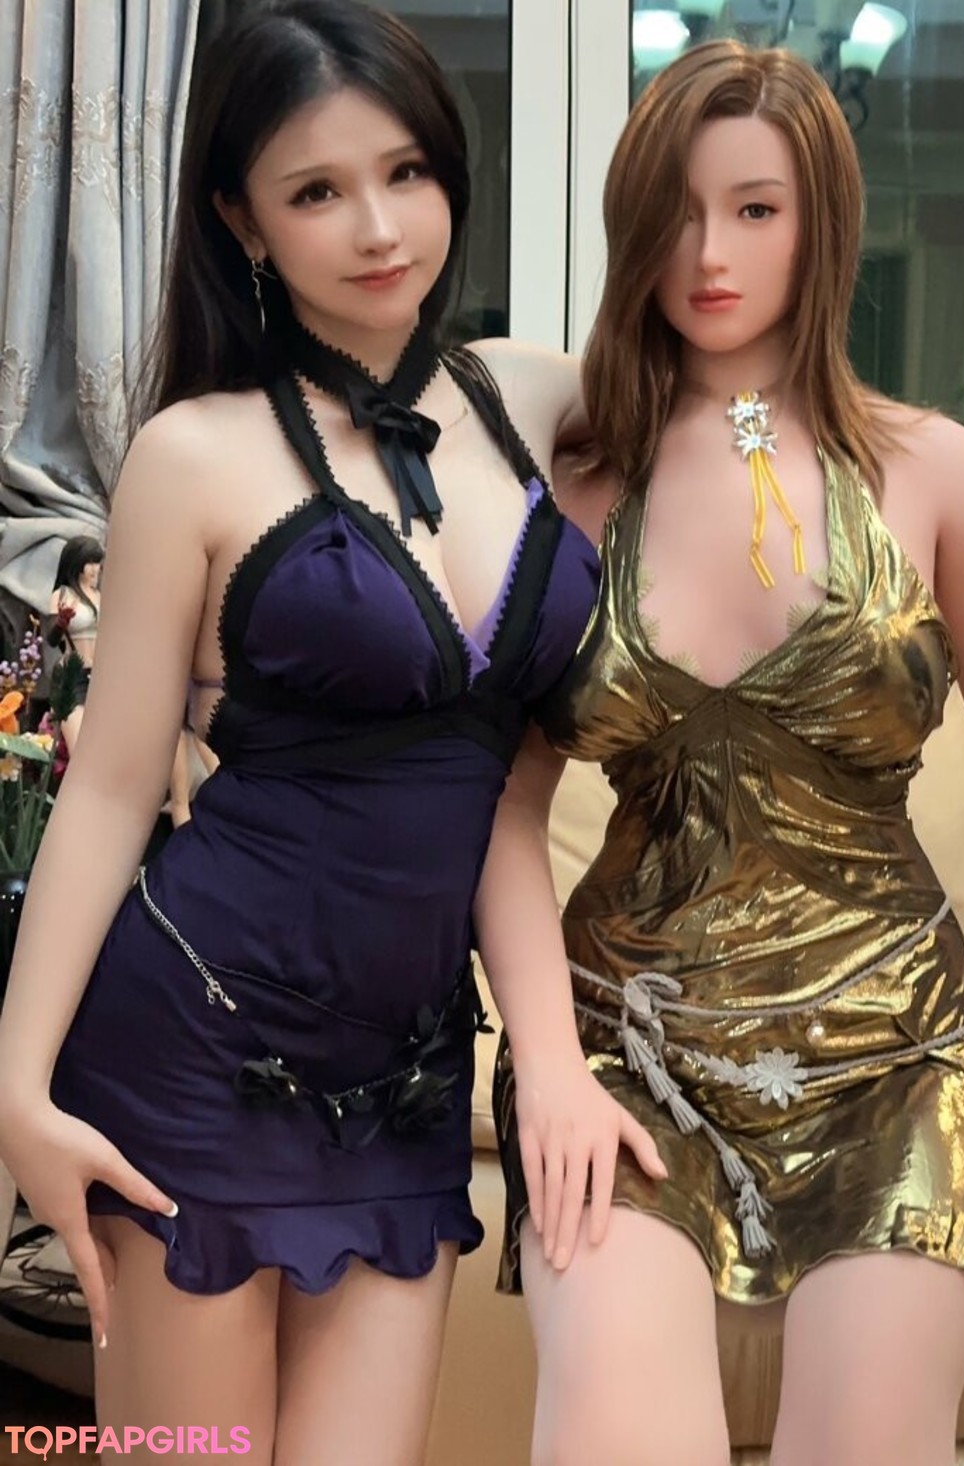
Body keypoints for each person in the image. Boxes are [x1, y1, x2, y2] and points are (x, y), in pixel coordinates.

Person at [0, 4, 663, 1462]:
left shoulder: (532, 399)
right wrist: (17, 1085)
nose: (378, 226)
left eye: (406, 171)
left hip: (407, 1078)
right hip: (192, 1055)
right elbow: (112, 791)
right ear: (241, 216)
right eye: (316, 189)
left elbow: (763, 414)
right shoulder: (193, 454)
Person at [488, 41, 964, 1466]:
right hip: (629, 1043)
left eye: (755, 209)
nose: (709, 254)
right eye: (677, 212)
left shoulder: (938, 475)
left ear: (824, 222)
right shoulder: (566, 478)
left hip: (899, 1052)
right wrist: (547, 1064)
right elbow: (501, 808)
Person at [46, 534, 104, 752]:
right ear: (76, 563)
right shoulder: (63, 594)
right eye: (90, 562)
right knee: (79, 748)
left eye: (97, 562)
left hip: (99, 676)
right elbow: (52, 639)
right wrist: (62, 621)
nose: (95, 568)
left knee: (101, 747)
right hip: (72, 675)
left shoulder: (100, 596)